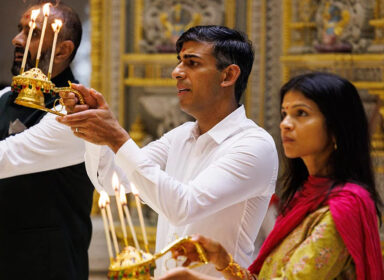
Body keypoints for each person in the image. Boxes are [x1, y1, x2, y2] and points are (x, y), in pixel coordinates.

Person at [57, 25, 279, 277]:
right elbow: (111, 181)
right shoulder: (181, 135)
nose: (176, 72)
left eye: (192, 63)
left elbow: (184, 206)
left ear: (228, 75)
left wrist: (117, 137)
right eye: (179, 62)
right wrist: (93, 130)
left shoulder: (254, 145)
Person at [157, 72, 384, 280]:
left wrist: (193, 278)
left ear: (337, 128)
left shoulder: (346, 206)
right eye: (284, 114)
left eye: (301, 114)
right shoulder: (306, 196)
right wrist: (221, 260)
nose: (285, 124)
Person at [0, 3, 94, 280]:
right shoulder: (4, 97)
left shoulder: (75, 111)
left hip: (49, 265)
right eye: (20, 30)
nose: (17, 40)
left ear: (63, 50)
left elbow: (5, 157)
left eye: (33, 33)